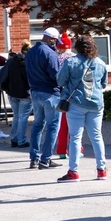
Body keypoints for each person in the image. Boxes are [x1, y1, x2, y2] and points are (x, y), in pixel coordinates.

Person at [55, 36, 109, 182]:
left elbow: (60, 81)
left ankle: (73, 171)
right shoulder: (100, 63)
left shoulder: (71, 62)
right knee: (97, 137)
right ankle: (101, 170)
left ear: (76, 47)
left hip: (76, 103)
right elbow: (103, 84)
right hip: (96, 104)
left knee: (75, 137)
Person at [25, 27, 63, 169]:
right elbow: (56, 76)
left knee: (37, 125)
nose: (55, 43)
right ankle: (45, 159)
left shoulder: (30, 52)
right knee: (52, 126)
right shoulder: (50, 54)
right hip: (50, 93)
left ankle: (34, 159)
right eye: (55, 40)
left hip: (35, 92)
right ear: (50, 39)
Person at [6, 40, 33, 148]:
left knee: (16, 116)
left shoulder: (12, 61)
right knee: (23, 117)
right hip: (25, 94)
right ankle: (21, 140)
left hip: (12, 92)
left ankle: (14, 139)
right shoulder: (27, 63)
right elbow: (28, 79)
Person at [55, 34, 77, 159]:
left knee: (62, 124)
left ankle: (62, 150)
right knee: (76, 125)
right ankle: (77, 149)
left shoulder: (57, 59)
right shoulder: (77, 58)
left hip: (62, 95)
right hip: (77, 95)